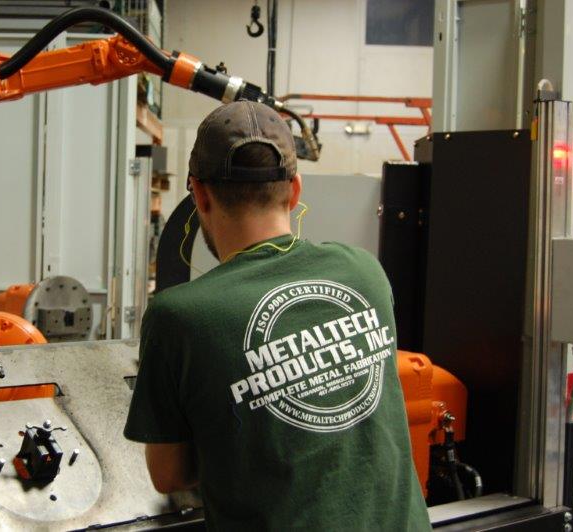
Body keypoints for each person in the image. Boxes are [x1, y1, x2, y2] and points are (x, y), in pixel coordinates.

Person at [124, 100, 431, 531]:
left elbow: (168, 475)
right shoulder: (365, 271)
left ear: (199, 195)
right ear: (295, 190)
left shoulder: (178, 317)